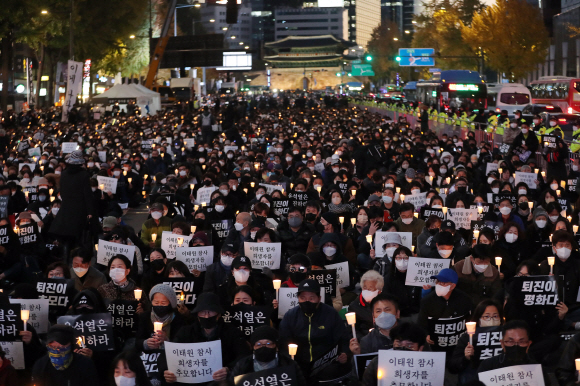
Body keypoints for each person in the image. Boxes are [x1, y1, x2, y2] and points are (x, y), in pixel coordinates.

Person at [160, 292, 251, 384]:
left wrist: (228, 369)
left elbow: (244, 355)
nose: (206, 316)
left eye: (211, 311)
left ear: (218, 314)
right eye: (202, 312)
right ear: (197, 315)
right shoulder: (185, 332)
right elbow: (170, 354)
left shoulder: (232, 332)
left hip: (221, 382)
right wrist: (168, 372)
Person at [278, 279, 350, 382]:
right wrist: (290, 362)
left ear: (319, 298)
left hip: (327, 365)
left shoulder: (331, 314)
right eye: (302, 298)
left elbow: (343, 339)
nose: (307, 301)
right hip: (299, 365)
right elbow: (284, 342)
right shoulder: (290, 316)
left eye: (311, 298)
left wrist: (344, 354)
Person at [49, 150, 95, 252]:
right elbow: (87, 194)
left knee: (66, 236)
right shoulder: (84, 175)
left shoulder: (64, 174)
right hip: (80, 208)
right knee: (78, 236)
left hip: (66, 207)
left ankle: (66, 256)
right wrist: (90, 212)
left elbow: (63, 191)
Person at [227, 326, 307, 385]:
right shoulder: (243, 364)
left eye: (268, 344)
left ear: (276, 347)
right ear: (253, 347)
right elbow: (231, 383)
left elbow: (301, 383)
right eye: (259, 344)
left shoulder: (289, 363)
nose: (263, 347)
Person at [31, 324, 99, 386]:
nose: (56, 351)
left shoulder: (85, 364)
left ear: (71, 345)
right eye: (52, 347)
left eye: (61, 347)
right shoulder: (41, 365)